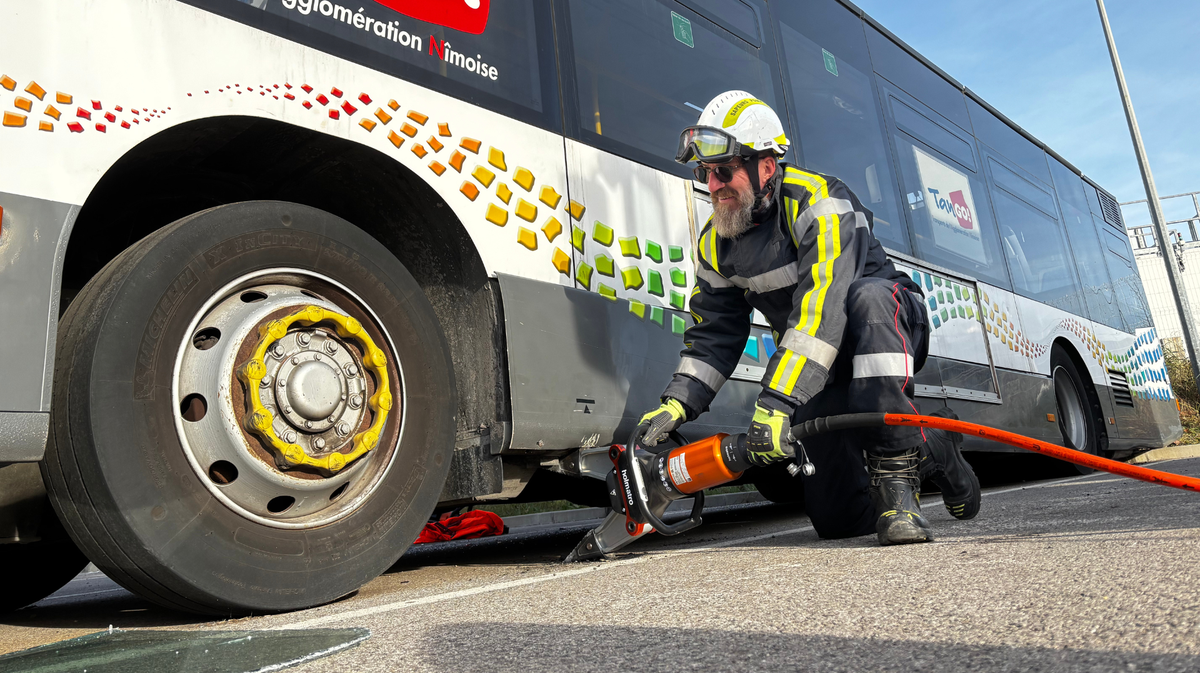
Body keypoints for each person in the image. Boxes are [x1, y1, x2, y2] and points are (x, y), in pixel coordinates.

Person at [639, 91, 980, 545]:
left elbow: (824, 305)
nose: (713, 184)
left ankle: (899, 482)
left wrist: (777, 402)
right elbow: (713, 337)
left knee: (867, 298)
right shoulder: (714, 244)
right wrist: (677, 403)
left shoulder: (819, 200)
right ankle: (933, 445)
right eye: (705, 174)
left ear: (766, 166)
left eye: (724, 171)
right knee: (838, 522)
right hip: (819, 366)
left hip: (884, 329)